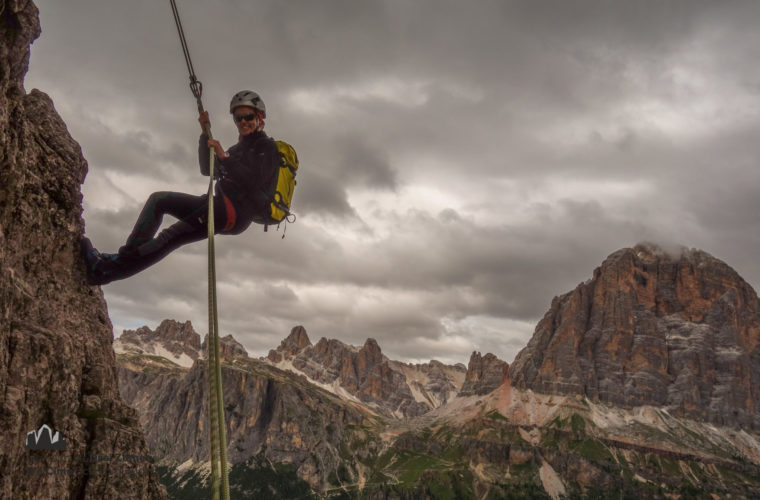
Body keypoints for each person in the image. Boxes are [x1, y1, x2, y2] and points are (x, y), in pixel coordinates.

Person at [82, 90, 278, 285]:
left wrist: (224, 157)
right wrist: (204, 134)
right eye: (238, 118)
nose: (243, 121)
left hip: (233, 212)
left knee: (172, 236)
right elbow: (208, 170)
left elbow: (254, 180)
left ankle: (105, 271)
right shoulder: (238, 149)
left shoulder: (267, 147)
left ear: (260, 118)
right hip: (218, 204)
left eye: (248, 116)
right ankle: (123, 259)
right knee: (158, 200)